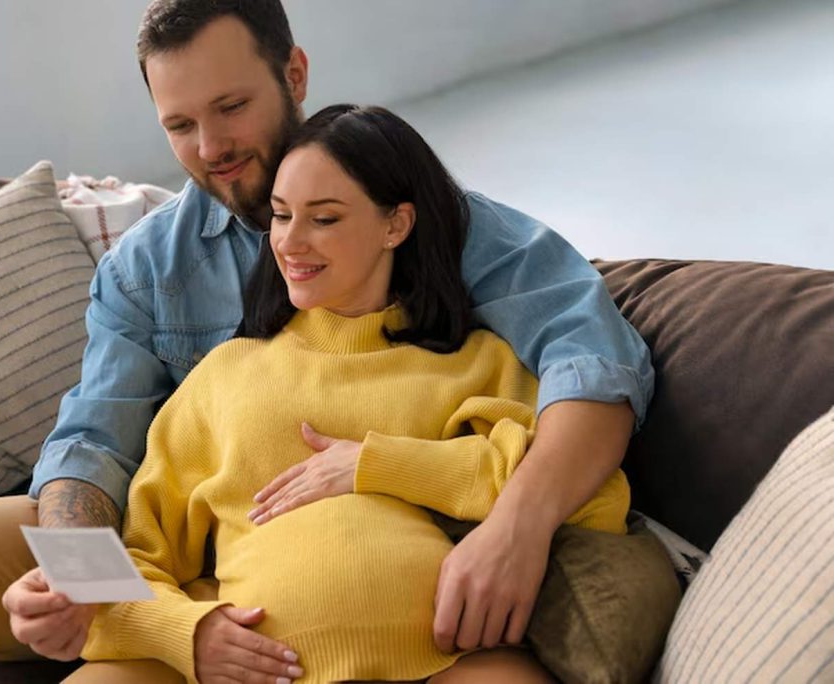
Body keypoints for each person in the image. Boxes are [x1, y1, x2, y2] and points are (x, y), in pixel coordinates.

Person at [0, 1, 652, 682]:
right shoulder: (147, 270)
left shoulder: (438, 220)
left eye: (231, 107)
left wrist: (518, 526)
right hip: (173, 547)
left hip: (352, 568)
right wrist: (83, 576)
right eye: (179, 125)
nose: (210, 149)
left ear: (294, 74)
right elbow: (93, 447)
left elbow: (596, 365)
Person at [69, 103, 631, 683]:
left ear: (396, 225)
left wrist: (381, 464)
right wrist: (186, 631)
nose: (291, 242)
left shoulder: (477, 363)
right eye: (283, 217)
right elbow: (137, 555)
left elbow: (593, 495)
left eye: (325, 219)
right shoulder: (222, 376)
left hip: (450, 665)